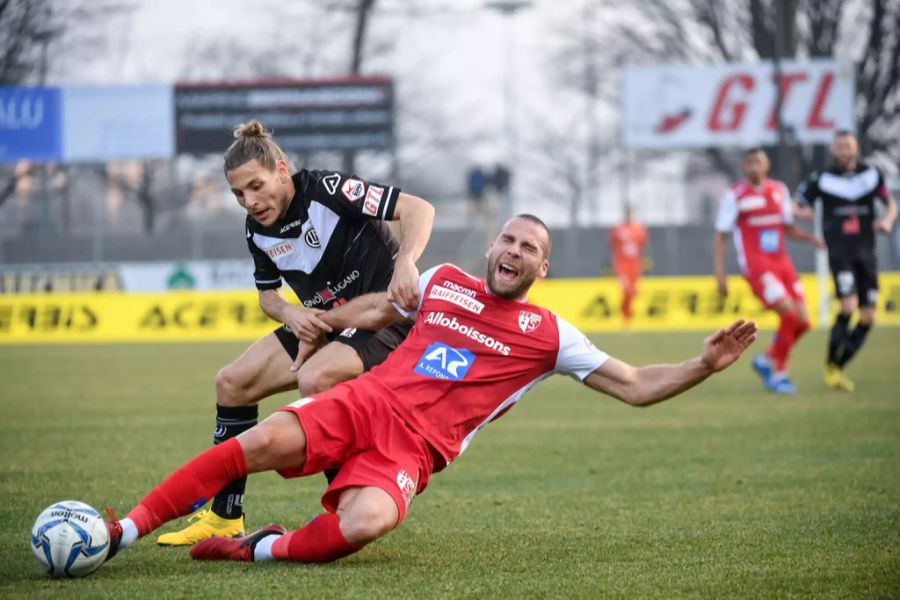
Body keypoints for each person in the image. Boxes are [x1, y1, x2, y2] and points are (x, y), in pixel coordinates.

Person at [101, 214, 757, 565]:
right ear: (493, 246)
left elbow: (637, 384)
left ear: (542, 267)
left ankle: (257, 547)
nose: (513, 251)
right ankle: (123, 530)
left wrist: (702, 364)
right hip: (368, 401)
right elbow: (381, 312)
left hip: (413, 453)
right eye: (508, 238)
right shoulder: (442, 280)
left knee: (364, 524)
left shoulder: (550, 334)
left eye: (528, 247)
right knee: (259, 438)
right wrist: (321, 322)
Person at [157, 119, 435, 545]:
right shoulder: (257, 229)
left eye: (256, 186)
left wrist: (406, 261)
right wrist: (290, 314)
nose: (250, 201)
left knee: (314, 378)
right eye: (238, 194)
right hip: (324, 325)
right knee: (232, 383)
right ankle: (224, 516)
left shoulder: (328, 189)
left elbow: (419, 208)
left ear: (282, 169)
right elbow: (268, 296)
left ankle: (350, 501)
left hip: (385, 320)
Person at [714, 148, 824, 395]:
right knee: (789, 315)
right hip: (757, 266)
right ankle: (779, 374)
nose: (754, 166)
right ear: (744, 166)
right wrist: (720, 275)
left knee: (805, 323)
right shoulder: (735, 195)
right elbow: (721, 236)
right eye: (750, 161)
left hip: (782, 263)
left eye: (759, 161)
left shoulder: (779, 190)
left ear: (767, 164)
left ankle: (765, 359)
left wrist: (809, 238)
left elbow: (787, 228)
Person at [795, 130, 897, 392]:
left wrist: (887, 221)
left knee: (868, 317)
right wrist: (802, 211)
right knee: (848, 306)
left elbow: (890, 203)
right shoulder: (823, 178)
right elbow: (798, 202)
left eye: (848, 146)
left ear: (856, 148)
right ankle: (831, 364)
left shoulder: (871, 175)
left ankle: (838, 365)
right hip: (841, 254)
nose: (844, 151)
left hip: (867, 254)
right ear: (833, 150)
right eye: (839, 146)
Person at [608, 206, 648, 324]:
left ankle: (628, 315)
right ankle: (625, 316)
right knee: (626, 290)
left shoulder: (639, 229)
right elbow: (611, 246)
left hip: (634, 265)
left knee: (634, 291)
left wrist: (645, 261)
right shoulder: (618, 229)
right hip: (622, 264)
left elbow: (643, 246)